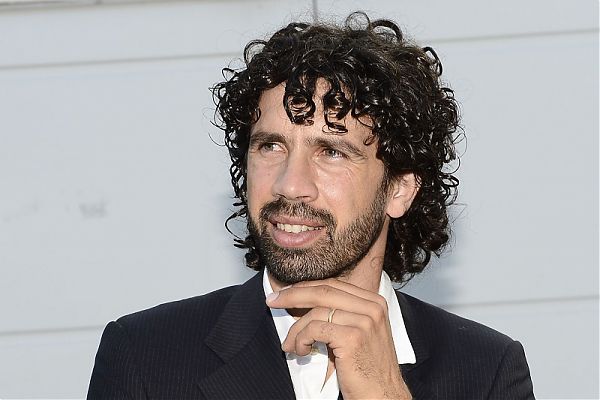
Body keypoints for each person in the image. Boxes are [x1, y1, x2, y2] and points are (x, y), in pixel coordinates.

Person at [87, 12, 535, 399]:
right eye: (270, 146)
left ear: (399, 188)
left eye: (331, 152)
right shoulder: (145, 355)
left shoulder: (487, 371)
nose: (290, 185)